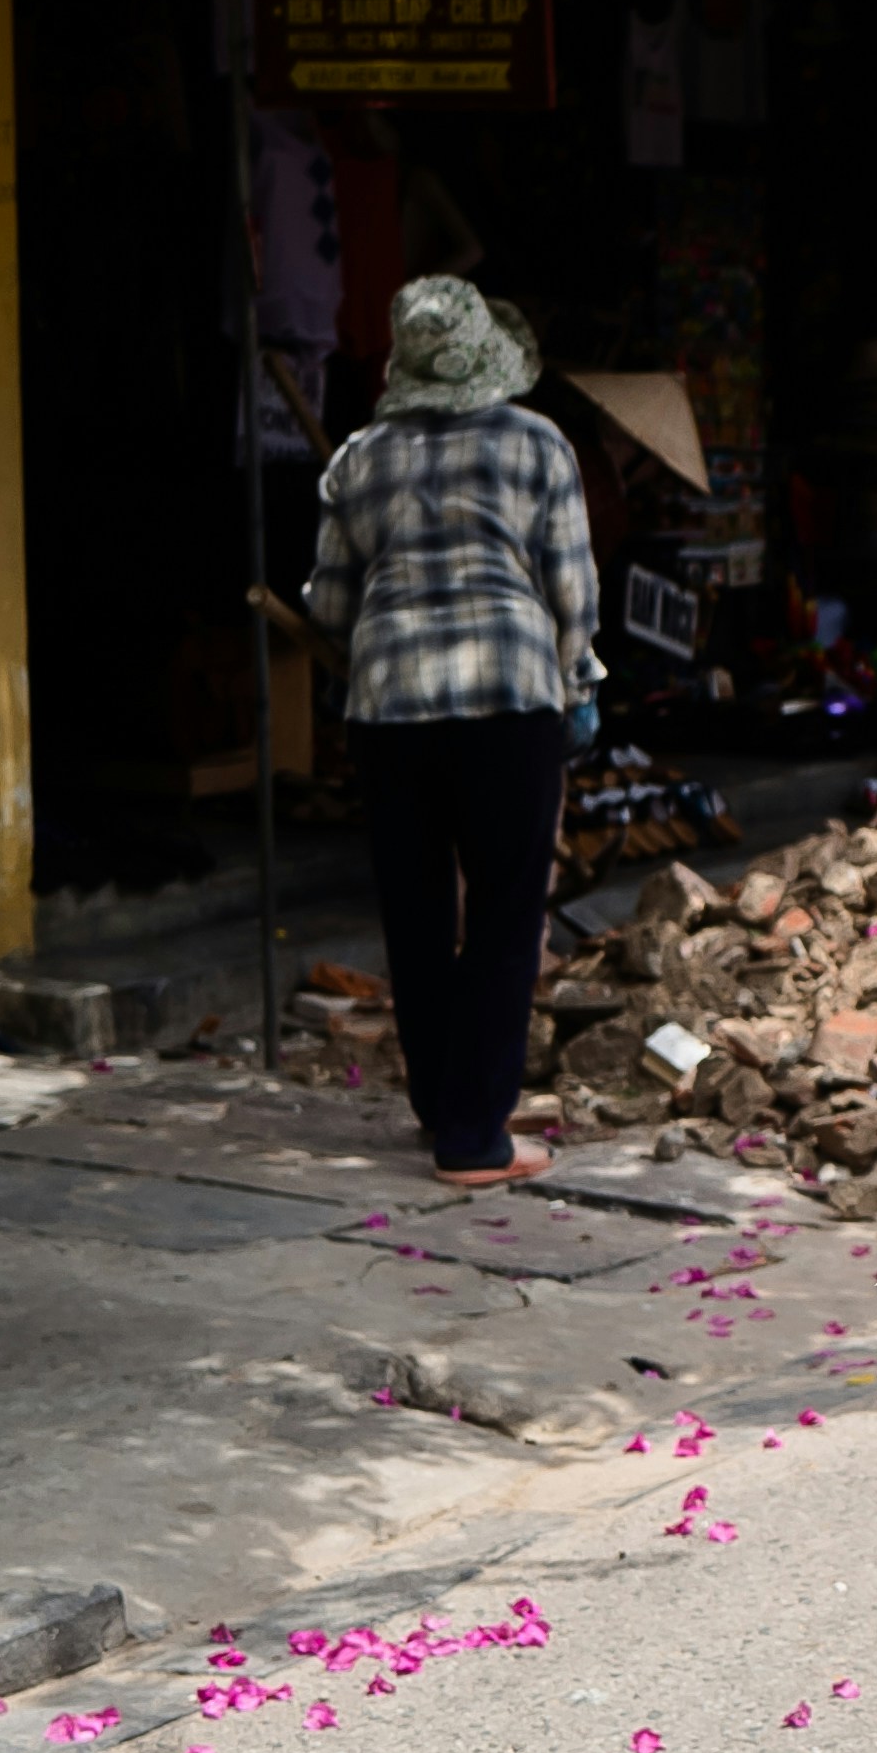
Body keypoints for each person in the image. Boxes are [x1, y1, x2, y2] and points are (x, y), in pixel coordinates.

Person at [284, 275, 598, 1188]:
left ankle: (441, 1104)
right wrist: (579, 681)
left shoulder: (357, 459)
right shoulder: (536, 442)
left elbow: (329, 605)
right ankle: (473, 1137)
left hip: (390, 712)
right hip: (510, 702)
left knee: (415, 912)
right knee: (504, 913)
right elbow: (571, 592)